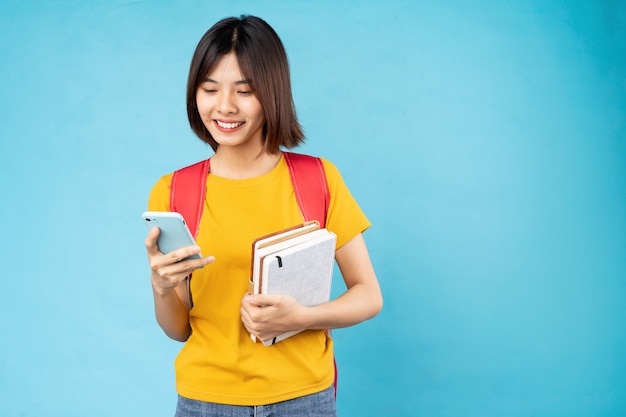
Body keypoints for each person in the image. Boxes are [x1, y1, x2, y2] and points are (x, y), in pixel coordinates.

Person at [144, 15, 382, 417]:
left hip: (304, 398)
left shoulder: (318, 179)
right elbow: (178, 329)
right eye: (209, 89)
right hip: (206, 401)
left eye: (245, 91)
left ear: (271, 92)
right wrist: (162, 286)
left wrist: (303, 317)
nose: (225, 107)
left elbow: (368, 295)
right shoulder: (173, 192)